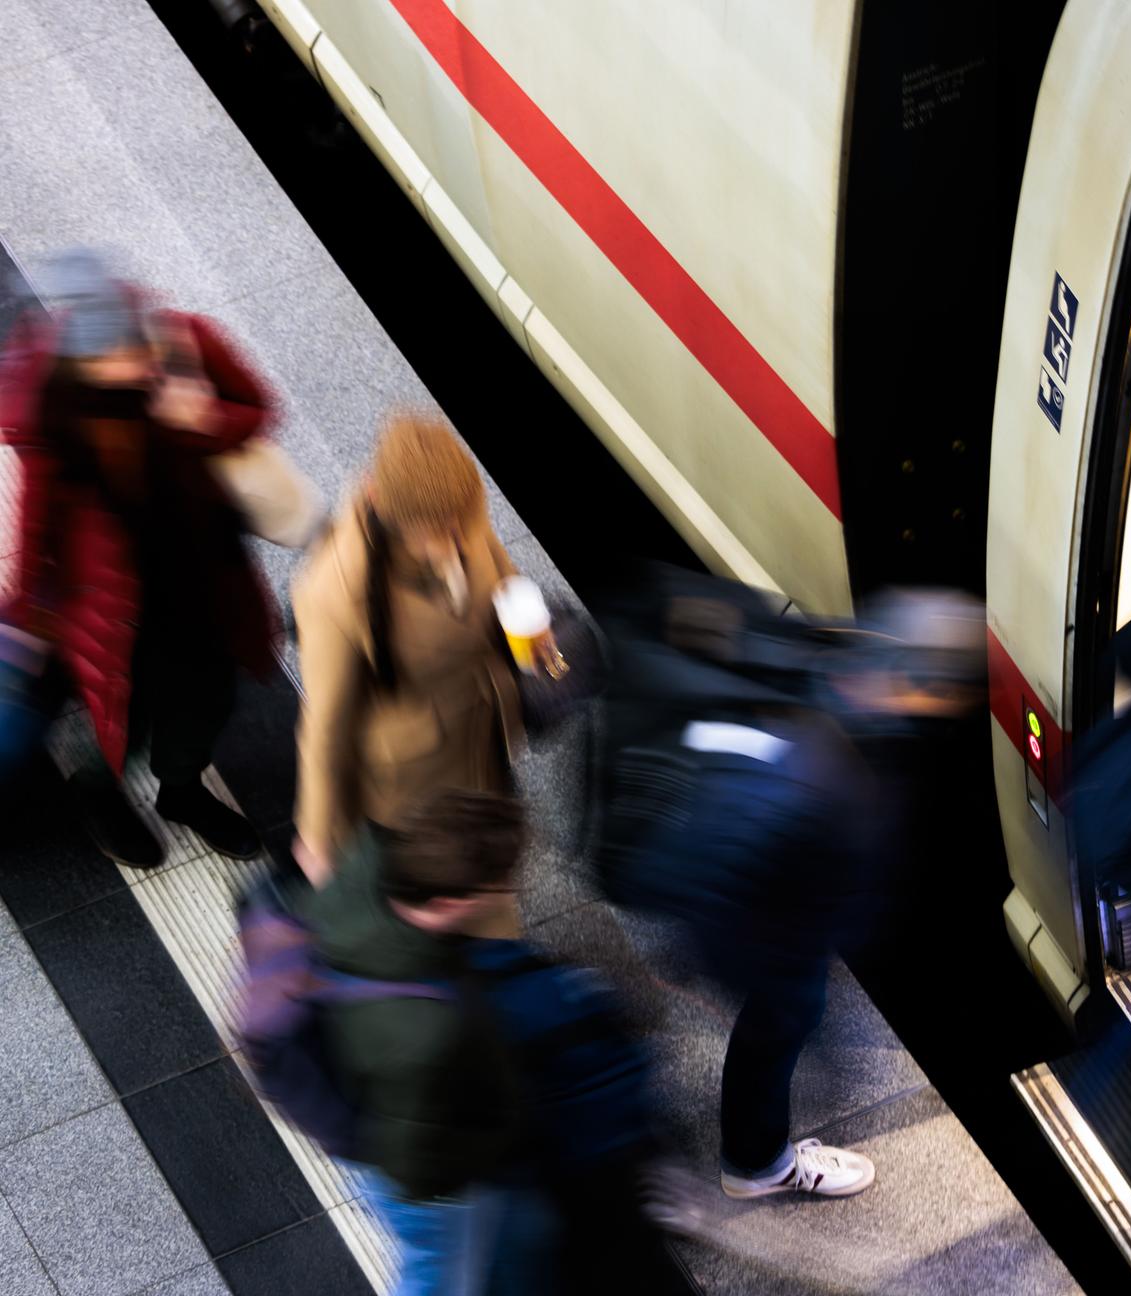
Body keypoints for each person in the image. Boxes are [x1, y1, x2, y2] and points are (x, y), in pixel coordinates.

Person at [300, 790, 693, 1295]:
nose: (507, 892)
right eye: (496, 885)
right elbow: (421, 1161)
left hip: (372, 1110)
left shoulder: (361, 871)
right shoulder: (435, 1026)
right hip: (439, 1179)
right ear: (448, 902)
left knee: (516, 1244)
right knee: (453, 1272)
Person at [592, 571, 878, 1200]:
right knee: (787, 1009)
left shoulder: (671, 679)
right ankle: (757, 1164)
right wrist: (806, 1009)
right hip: (710, 886)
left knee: (788, 995)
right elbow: (734, 935)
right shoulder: (760, 784)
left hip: (681, 860)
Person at [0, 248, 279, 866]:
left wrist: (203, 417)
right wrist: (30, 609)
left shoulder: (185, 341)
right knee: (127, 712)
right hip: (112, 602)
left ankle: (181, 793)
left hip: (205, 579)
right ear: (81, 360)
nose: (136, 365)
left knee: (207, 703)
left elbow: (259, 407)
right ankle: (100, 790)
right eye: (113, 358)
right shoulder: (54, 403)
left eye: (133, 347)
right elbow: (40, 514)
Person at [292, 413, 523, 890]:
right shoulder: (333, 593)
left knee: (483, 860)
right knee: (441, 889)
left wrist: (528, 621)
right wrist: (317, 838)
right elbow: (326, 726)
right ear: (391, 514)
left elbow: (499, 568)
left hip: (482, 724)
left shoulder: (456, 508)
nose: (462, 539)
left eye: (465, 521)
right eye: (441, 531)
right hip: (415, 779)